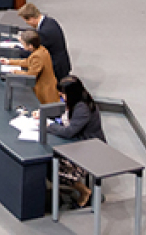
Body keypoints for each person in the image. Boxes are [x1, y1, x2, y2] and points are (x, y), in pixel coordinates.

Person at [43, 75, 105, 207]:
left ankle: (84, 192)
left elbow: (69, 132)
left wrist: (48, 126)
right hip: (79, 145)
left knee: (53, 168)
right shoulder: (76, 102)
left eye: (63, 95)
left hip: (91, 152)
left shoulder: (82, 108)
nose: (62, 97)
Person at [0, 30, 60, 104]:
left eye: (23, 44)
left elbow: (30, 76)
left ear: (30, 46)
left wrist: (15, 71)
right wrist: (9, 61)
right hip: (49, 86)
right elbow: (28, 62)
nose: (22, 45)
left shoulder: (37, 56)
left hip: (44, 90)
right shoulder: (41, 49)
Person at [17, 3, 71, 81]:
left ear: (32, 18)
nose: (27, 23)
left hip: (55, 69)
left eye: (26, 21)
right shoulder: (50, 21)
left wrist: (18, 50)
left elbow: (35, 54)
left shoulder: (44, 32)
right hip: (62, 63)